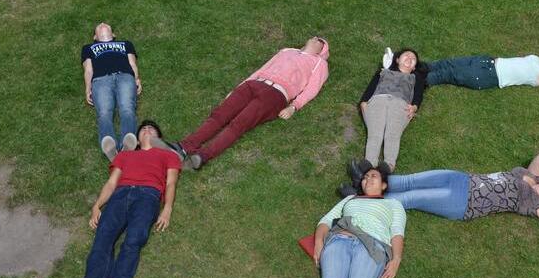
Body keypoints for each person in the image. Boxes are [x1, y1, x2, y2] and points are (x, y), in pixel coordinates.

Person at [53, 120, 181, 278]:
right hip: (119, 196)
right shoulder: (125, 156)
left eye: (152, 129)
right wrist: (97, 206)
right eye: (143, 129)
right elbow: (112, 183)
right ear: (137, 139)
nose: (147, 130)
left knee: (134, 239)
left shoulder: (168, 155)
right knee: (103, 238)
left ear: (159, 139)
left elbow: (171, 183)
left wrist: (167, 208)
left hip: (148, 196)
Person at [175, 37, 329, 169]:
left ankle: (202, 157)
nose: (316, 39)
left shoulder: (319, 64)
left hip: (276, 94)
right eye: (314, 37)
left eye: (320, 41)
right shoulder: (286, 51)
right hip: (254, 84)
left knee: (238, 124)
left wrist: (294, 107)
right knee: (219, 115)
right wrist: (239, 86)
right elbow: (261, 69)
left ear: (322, 50)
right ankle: (185, 146)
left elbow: (311, 89)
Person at [365, 150, 539, 222]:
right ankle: (364, 181)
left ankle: (362, 200)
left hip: (464, 202)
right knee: (409, 180)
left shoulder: (536, 205)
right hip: (463, 179)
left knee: (412, 198)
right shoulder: (535, 177)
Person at [82, 23, 142, 160]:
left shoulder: (126, 44)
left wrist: (137, 78)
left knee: (127, 109)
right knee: (104, 113)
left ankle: (127, 146)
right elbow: (88, 69)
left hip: (125, 76)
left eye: (106, 24)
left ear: (113, 35)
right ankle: (111, 148)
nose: (103, 23)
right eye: (99, 25)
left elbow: (132, 63)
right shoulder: (88, 48)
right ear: (95, 36)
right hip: (100, 80)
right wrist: (87, 88)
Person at [360, 48, 427, 170]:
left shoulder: (414, 78)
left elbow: (418, 94)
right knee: (375, 134)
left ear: (414, 68)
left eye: (413, 59)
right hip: (378, 101)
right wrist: (364, 101)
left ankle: (388, 167)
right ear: (397, 60)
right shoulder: (384, 71)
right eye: (406, 55)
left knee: (392, 135)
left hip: (400, 105)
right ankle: (368, 166)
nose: (410, 58)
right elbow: (372, 85)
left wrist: (415, 106)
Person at [425, 48, 539, 96]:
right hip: (488, 61)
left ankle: (415, 81)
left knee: (447, 74)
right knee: (448, 63)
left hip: (489, 76)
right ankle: (417, 67)